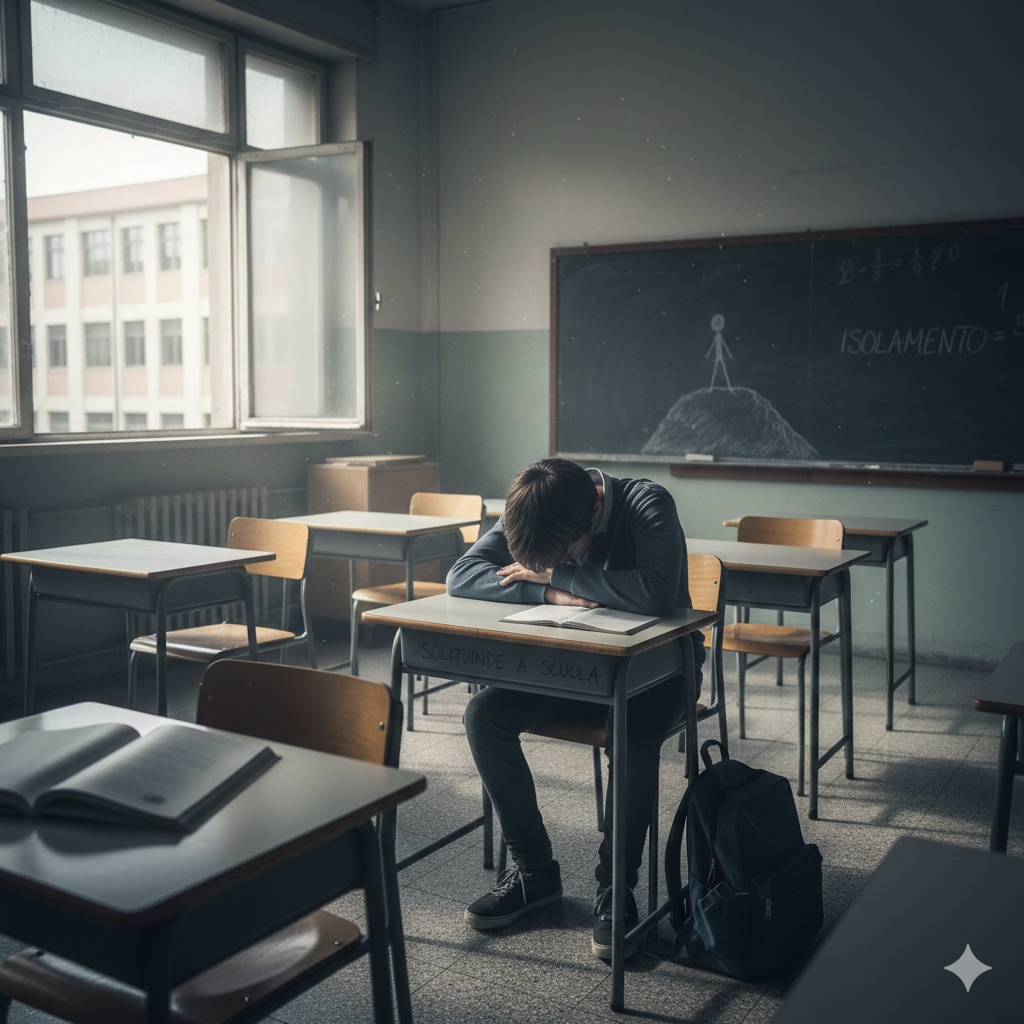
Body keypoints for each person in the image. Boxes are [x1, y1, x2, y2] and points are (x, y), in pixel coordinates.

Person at [446, 458, 704, 960]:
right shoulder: (538, 506)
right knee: (483, 715)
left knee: (628, 731)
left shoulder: (646, 502)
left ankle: (616, 888)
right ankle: (535, 871)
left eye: (567, 551)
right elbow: (462, 575)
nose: (558, 558)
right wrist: (551, 591)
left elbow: (654, 593)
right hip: (577, 664)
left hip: (661, 669)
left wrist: (561, 571)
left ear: (596, 507)